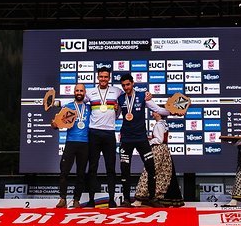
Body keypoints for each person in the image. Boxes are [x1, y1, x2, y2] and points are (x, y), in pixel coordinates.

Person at [116, 74, 168, 206]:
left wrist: (173, 111)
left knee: (151, 167)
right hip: (126, 139)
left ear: (133, 83)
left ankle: (152, 198)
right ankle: (126, 199)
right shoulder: (120, 98)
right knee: (124, 169)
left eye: (128, 84)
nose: (126, 87)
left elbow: (158, 109)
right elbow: (115, 116)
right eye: (123, 85)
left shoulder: (142, 96)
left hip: (141, 138)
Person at [85, 67, 122, 207]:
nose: (103, 79)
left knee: (110, 168)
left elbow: (129, 97)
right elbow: (77, 103)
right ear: (97, 77)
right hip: (94, 132)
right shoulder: (90, 92)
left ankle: (111, 199)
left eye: (106, 77)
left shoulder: (117, 91)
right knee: (92, 167)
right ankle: (91, 200)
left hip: (109, 133)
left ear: (109, 78)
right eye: (101, 77)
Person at [135, 109, 182, 207]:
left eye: (154, 111)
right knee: (163, 174)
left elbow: (159, 140)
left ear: (159, 114)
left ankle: (140, 197)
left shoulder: (159, 125)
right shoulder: (163, 124)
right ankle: (156, 196)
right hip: (164, 150)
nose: (152, 113)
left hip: (158, 149)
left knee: (149, 171)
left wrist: (148, 141)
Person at [56, 84, 90, 208]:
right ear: (74, 92)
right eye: (77, 90)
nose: (79, 92)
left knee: (81, 173)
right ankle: (62, 199)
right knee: (64, 171)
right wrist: (54, 124)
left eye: (81, 90)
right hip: (71, 142)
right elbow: (57, 123)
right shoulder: (68, 107)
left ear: (85, 92)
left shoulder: (89, 108)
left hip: (85, 143)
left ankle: (76, 199)